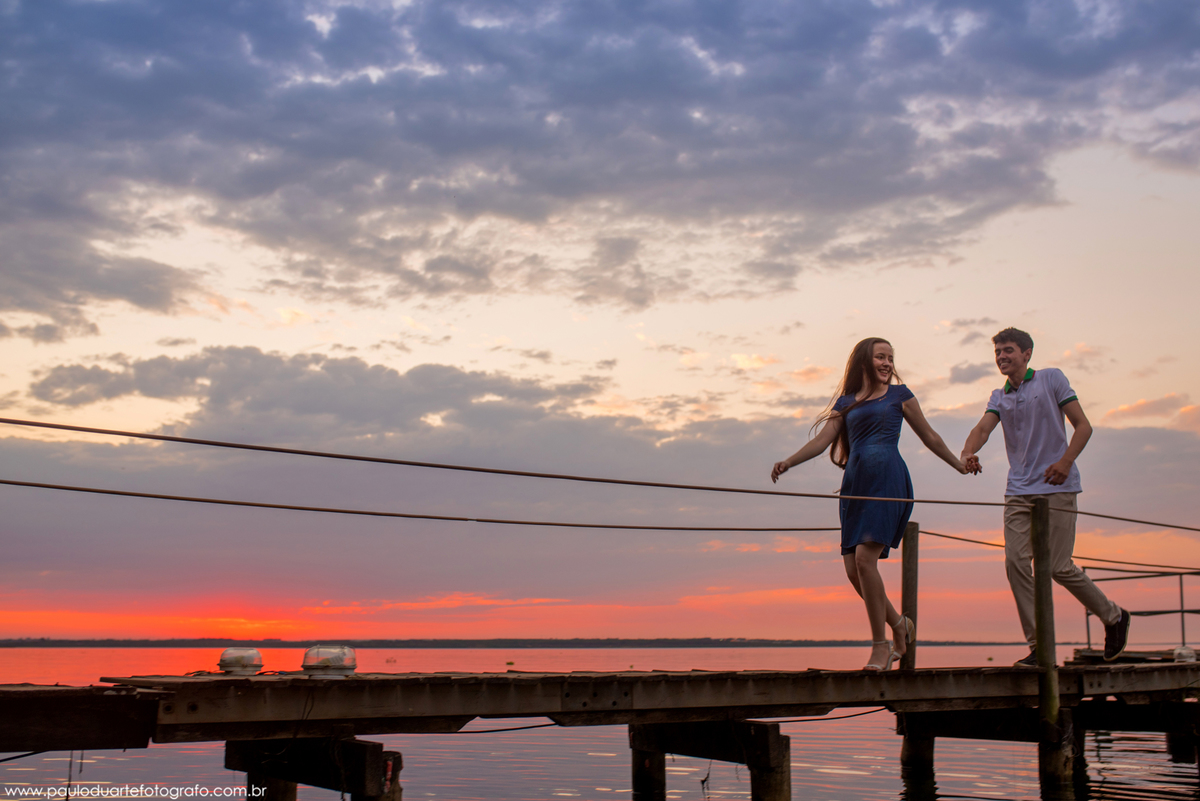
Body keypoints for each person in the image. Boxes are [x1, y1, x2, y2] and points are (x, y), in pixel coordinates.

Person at [772, 337, 968, 671]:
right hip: (855, 486)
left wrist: (959, 464)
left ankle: (881, 647)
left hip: (888, 481)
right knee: (853, 570)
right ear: (865, 360)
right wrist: (788, 462)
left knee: (865, 560)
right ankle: (899, 624)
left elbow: (929, 436)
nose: (887, 363)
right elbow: (822, 441)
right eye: (881, 356)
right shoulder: (846, 403)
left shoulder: (899, 396)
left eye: (891, 357)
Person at [961, 327, 1129, 666]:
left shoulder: (1051, 379)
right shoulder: (1000, 396)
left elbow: (1083, 426)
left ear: (1027, 354)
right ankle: (1040, 646)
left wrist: (1066, 462)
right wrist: (968, 451)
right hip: (1019, 491)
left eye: (1008, 350)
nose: (1002, 357)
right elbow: (983, 429)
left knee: (1057, 566)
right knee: (1015, 562)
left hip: (1058, 486)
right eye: (997, 353)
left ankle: (1114, 617)